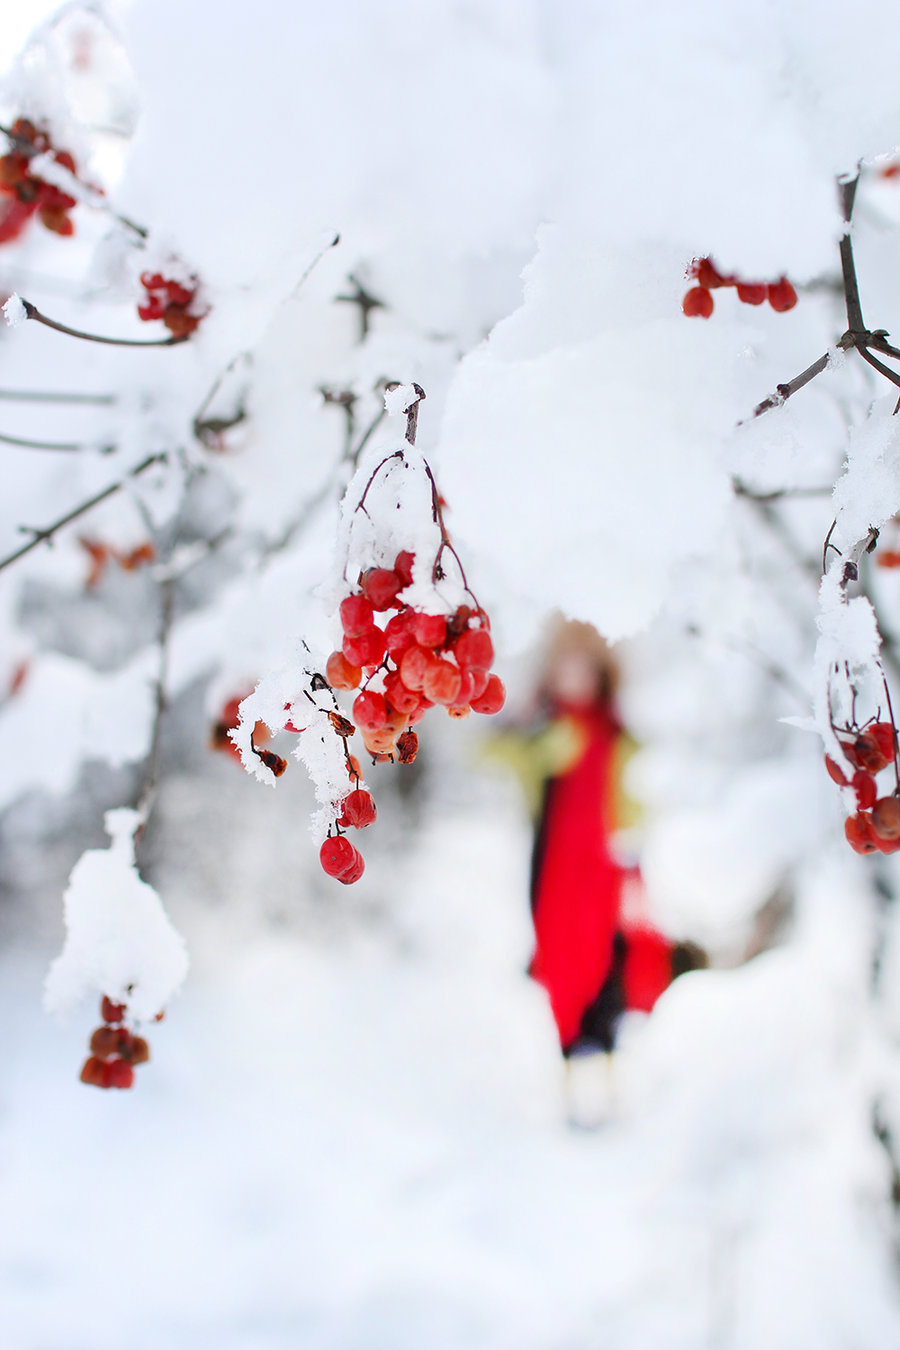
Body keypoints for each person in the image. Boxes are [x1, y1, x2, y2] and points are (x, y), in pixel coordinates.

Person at [496, 618, 701, 1124]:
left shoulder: (620, 731)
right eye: (564, 666)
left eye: (583, 667)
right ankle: (567, 1076)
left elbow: (650, 781)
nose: (574, 677)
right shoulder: (539, 729)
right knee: (560, 960)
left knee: (607, 958)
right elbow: (487, 749)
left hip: (607, 863)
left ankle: (609, 1076)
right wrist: (535, 743)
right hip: (553, 865)